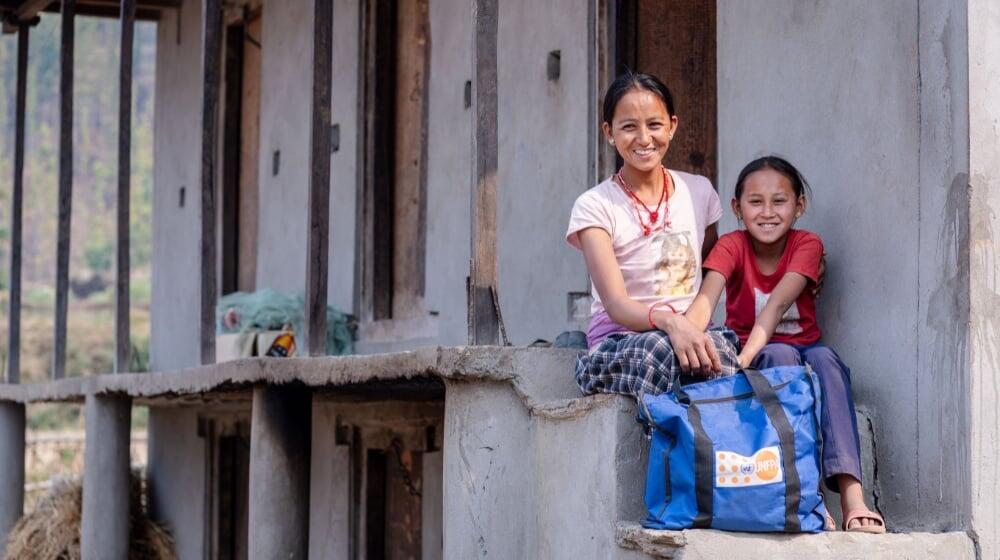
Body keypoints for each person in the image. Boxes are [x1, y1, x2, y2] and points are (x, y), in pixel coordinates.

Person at [685, 155, 885, 533]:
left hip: (799, 351)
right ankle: (807, 496)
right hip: (761, 356)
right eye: (755, 202)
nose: (767, 212)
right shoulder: (730, 245)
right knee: (778, 353)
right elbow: (705, 300)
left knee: (826, 359)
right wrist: (686, 334)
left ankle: (852, 496)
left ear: (799, 206)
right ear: (737, 208)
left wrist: (743, 358)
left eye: (779, 201)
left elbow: (776, 305)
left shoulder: (807, 243)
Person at [567, 72, 740, 399]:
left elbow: (711, 271)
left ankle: (709, 449)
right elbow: (616, 304)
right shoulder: (594, 205)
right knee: (659, 352)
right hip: (622, 339)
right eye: (629, 126)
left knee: (723, 351)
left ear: (672, 126)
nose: (644, 138)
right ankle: (660, 449)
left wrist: (690, 326)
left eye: (655, 125)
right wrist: (673, 324)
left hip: (691, 330)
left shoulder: (698, 192)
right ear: (609, 132)